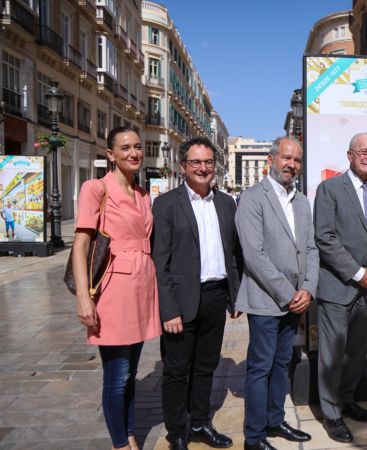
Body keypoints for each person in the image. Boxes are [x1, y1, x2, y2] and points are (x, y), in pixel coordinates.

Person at [72, 126, 161, 450]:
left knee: (132, 372)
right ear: (110, 154)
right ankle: (120, 443)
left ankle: (128, 432)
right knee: (118, 375)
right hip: (113, 289)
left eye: (137, 146)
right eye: (125, 148)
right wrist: (84, 298)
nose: (134, 153)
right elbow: (81, 246)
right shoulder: (96, 188)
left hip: (141, 288)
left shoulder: (143, 193)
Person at [152, 136, 242, 450]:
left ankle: (200, 423)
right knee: (177, 370)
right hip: (182, 301)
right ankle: (177, 431)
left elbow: (232, 253)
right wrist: (169, 310)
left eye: (207, 162)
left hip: (216, 296)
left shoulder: (226, 202)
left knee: (206, 365)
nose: (203, 168)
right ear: (183, 166)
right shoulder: (166, 204)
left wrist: (234, 295)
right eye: (196, 162)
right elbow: (159, 261)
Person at [235, 137, 318, 450]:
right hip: (266, 300)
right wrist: (289, 294)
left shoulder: (302, 200)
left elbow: (311, 248)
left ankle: (275, 419)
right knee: (260, 368)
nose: (292, 165)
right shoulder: (253, 198)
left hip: (296, 300)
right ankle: (254, 436)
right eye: (286, 158)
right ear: (271, 160)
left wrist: (308, 288)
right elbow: (254, 256)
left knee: (283, 363)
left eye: (297, 160)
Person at [314, 132, 367, 443]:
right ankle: (331, 414)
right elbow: (325, 237)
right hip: (338, 288)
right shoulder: (329, 189)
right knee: (332, 355)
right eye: (364, 152)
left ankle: (346, 399)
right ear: (350, 155)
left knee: (357, 353)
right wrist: (358, 272)